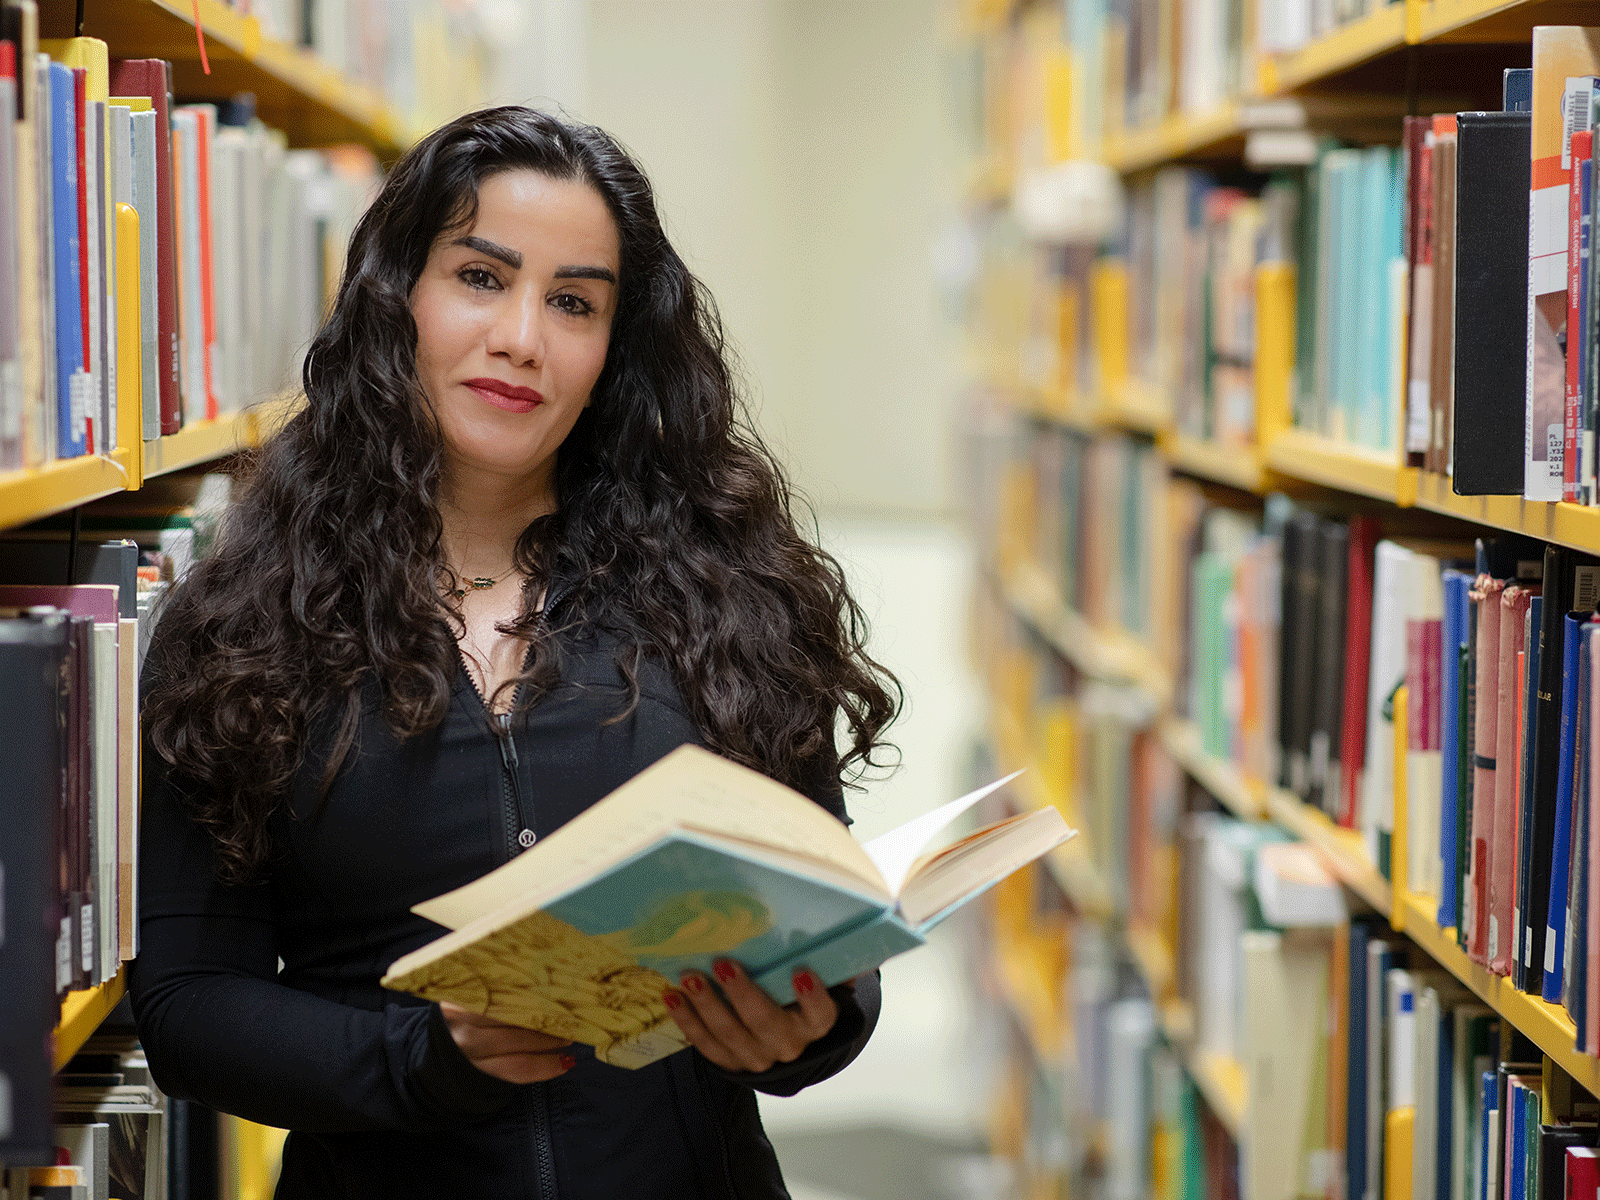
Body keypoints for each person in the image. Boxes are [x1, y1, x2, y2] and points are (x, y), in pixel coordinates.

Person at [131, 106, 901, 1199]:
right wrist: (427, 1063)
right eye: (481, 279)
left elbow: (829, 931)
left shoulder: (734, 598)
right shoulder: (245, 621)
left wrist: (808, 1027)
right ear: (397, 298)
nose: (523, 338)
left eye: (574, 301)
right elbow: (190, 1006)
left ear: (613, 350)